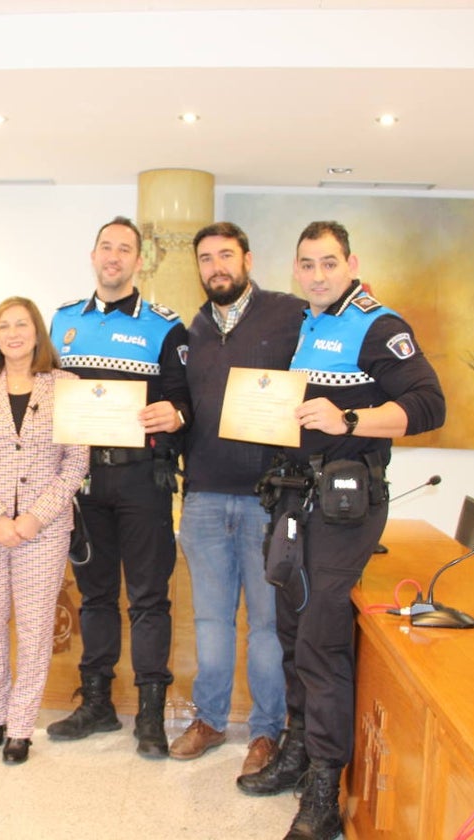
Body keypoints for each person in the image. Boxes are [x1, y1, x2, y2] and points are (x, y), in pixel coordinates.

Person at [236, 221, 445, 840]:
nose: (318, 274)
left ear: (351, 263)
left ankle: (326, 789)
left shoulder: (379, 324)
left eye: (329, 263)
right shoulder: (311, 324)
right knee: (293, 631)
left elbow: (431, 406)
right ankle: (300, 753)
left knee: (323, 640)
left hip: (344, 504)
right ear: (296, 269)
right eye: (307, 264)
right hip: (296, 502)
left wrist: (349, 415)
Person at [46, 216, 190, 758]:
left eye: (125, 249)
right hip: (80, 480)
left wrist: (173, 413)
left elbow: (185, 400)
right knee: (95, 594)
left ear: (138, 262)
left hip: (140, 478)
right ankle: (97, 704)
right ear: (93, 254)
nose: (114, 257)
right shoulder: (61, 323)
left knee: (150, 597)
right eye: (106, 246)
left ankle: (150, 716)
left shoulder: (164, 326)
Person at [171, 223, 306, 776]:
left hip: (266, 501)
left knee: (268, 625)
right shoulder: (190, 331)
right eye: (206, 258)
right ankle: (209, 719)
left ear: (247, 259)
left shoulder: (289, 315)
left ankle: (267, 733)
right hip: (203, 498)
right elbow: (182, 407)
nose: (216, 266)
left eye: (226, 255)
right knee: (210, 620)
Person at [0, 297, 89, 765]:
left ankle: (22, 726)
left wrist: (31, 519)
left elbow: (75, 463)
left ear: (37, 332)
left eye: (22, 324)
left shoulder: (65, 385)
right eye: (3, 325)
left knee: (33, 628)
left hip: (43, 529)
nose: (13, 333)